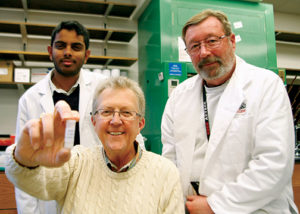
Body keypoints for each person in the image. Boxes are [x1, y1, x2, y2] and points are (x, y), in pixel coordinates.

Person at [161, 9, 298, 214]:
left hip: (256, 209)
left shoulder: (265, 85)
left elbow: (274, 163)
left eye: (212, 40)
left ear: (232, 41)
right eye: (195, 46)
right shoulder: (179, 96)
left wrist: (215, 205)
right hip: (191, 207)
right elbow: (170, 160)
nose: (204, 52)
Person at [14, 21, 144, 214]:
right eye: (60, 46)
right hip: (50, 194)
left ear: (87, 54)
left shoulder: (105, 88)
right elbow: (23, 160)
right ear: (50, 51)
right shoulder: (30, 99)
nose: (68, 52)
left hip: (100, 190)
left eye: (76, 47)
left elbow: (132, 139)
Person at [6, 77, 184, 214]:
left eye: (126, 112)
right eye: (106, 112)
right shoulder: (75, 164)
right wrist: (24, 159)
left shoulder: (165, 173)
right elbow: (35, 184)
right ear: (93, 121)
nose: (115, 120)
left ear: (141, 124)